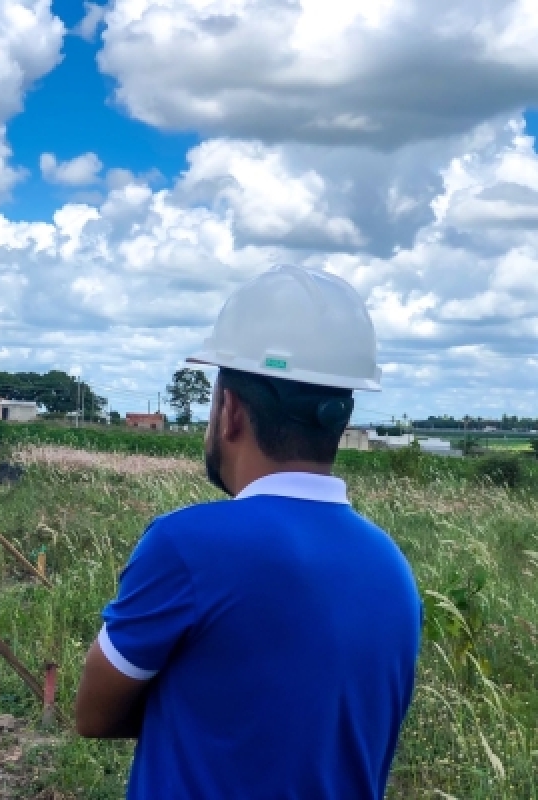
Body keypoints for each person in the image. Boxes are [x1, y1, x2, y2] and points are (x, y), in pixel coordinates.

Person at [75, 265, 422, 799]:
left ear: (229, 411)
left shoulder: (187, 546)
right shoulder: (391, 567)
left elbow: (95, 712)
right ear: (338, 416)